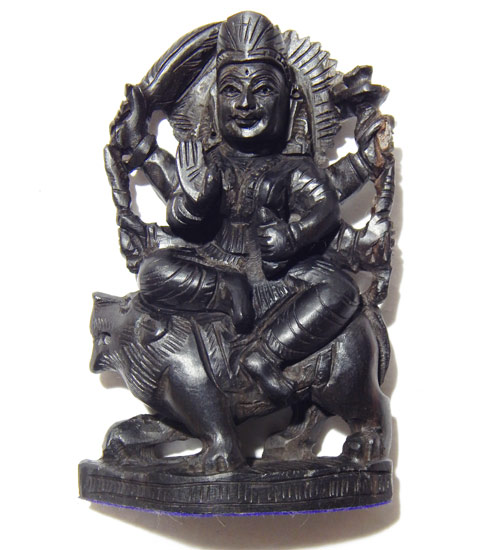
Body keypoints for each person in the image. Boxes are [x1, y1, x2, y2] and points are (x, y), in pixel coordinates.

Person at [113, 12, 382, 403]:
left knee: (340, 291)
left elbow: (324, 207)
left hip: (279, 278)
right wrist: (186, 194)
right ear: (212, 102)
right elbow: (176, 193)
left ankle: (266, 354)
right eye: (230, 91)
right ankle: (226, 292)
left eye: (263, 89)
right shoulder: (209, 163)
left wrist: (294, 236)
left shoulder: (295, 167)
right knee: (152, 273)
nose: (244, 104)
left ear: (290, 102)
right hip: (215, 271)